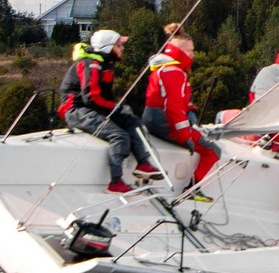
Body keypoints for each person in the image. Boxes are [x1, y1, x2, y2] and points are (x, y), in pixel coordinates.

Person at [59, 29, 153, 193]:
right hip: (76, 111)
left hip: (90, 109)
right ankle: (115, 182)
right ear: (108, 47)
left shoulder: (103, 65)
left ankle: (143, 164)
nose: (122, 48)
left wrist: (121, 111)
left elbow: (104, 98)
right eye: (119, 45)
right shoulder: (91, 65)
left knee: (133, 121)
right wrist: (116, 108)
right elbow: (92, 98)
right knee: (119, 135)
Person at [142, 31, 223, 194]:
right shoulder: (175, 72)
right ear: (179, 52)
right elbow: (174, 108)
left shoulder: (162, 69)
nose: (193, 55)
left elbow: (173, 100)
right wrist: (185, 137)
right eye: (190, 51)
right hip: (165, 123)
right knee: (214, 150)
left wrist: (190, 110)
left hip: (151, 119)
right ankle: (193, 189)